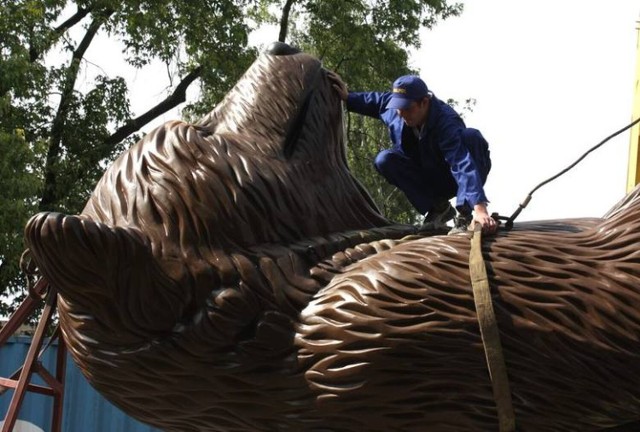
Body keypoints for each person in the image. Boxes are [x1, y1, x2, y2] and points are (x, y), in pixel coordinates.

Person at [328, 71, 497, 235]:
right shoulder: (396, 110)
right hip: (424, 176)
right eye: (398, 107)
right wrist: (348, 97)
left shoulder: (446, 121)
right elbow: (376, 101)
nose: (401, 113)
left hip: (451, 179)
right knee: (384, 159)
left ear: (424, 102)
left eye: (407, 108)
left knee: (472, 137)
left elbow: (461, 163)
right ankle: (437, 208)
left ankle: (465, 214)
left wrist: (480, 208)